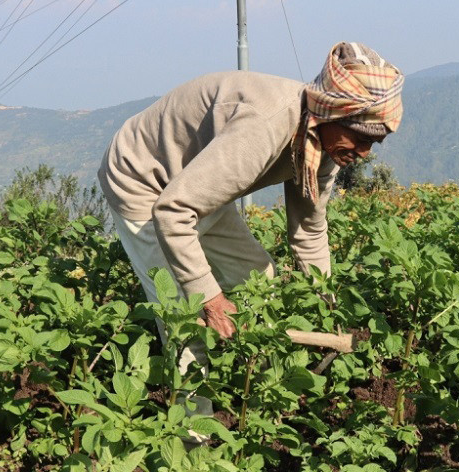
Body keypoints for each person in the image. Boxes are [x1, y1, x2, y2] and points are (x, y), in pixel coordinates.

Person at [99, 41, 403, 369]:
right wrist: (211, 300)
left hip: (194, 188)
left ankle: (259, 381)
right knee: (185, 319)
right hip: (144, 180)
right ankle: (189, 402)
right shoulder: (265, 126)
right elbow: (173, 212)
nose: (364, 153)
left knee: (259, 280)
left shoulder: (324, 147)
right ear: (332, 113)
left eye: (373, 142)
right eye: (360, 138)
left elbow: (309, 231)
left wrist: (326, 308)